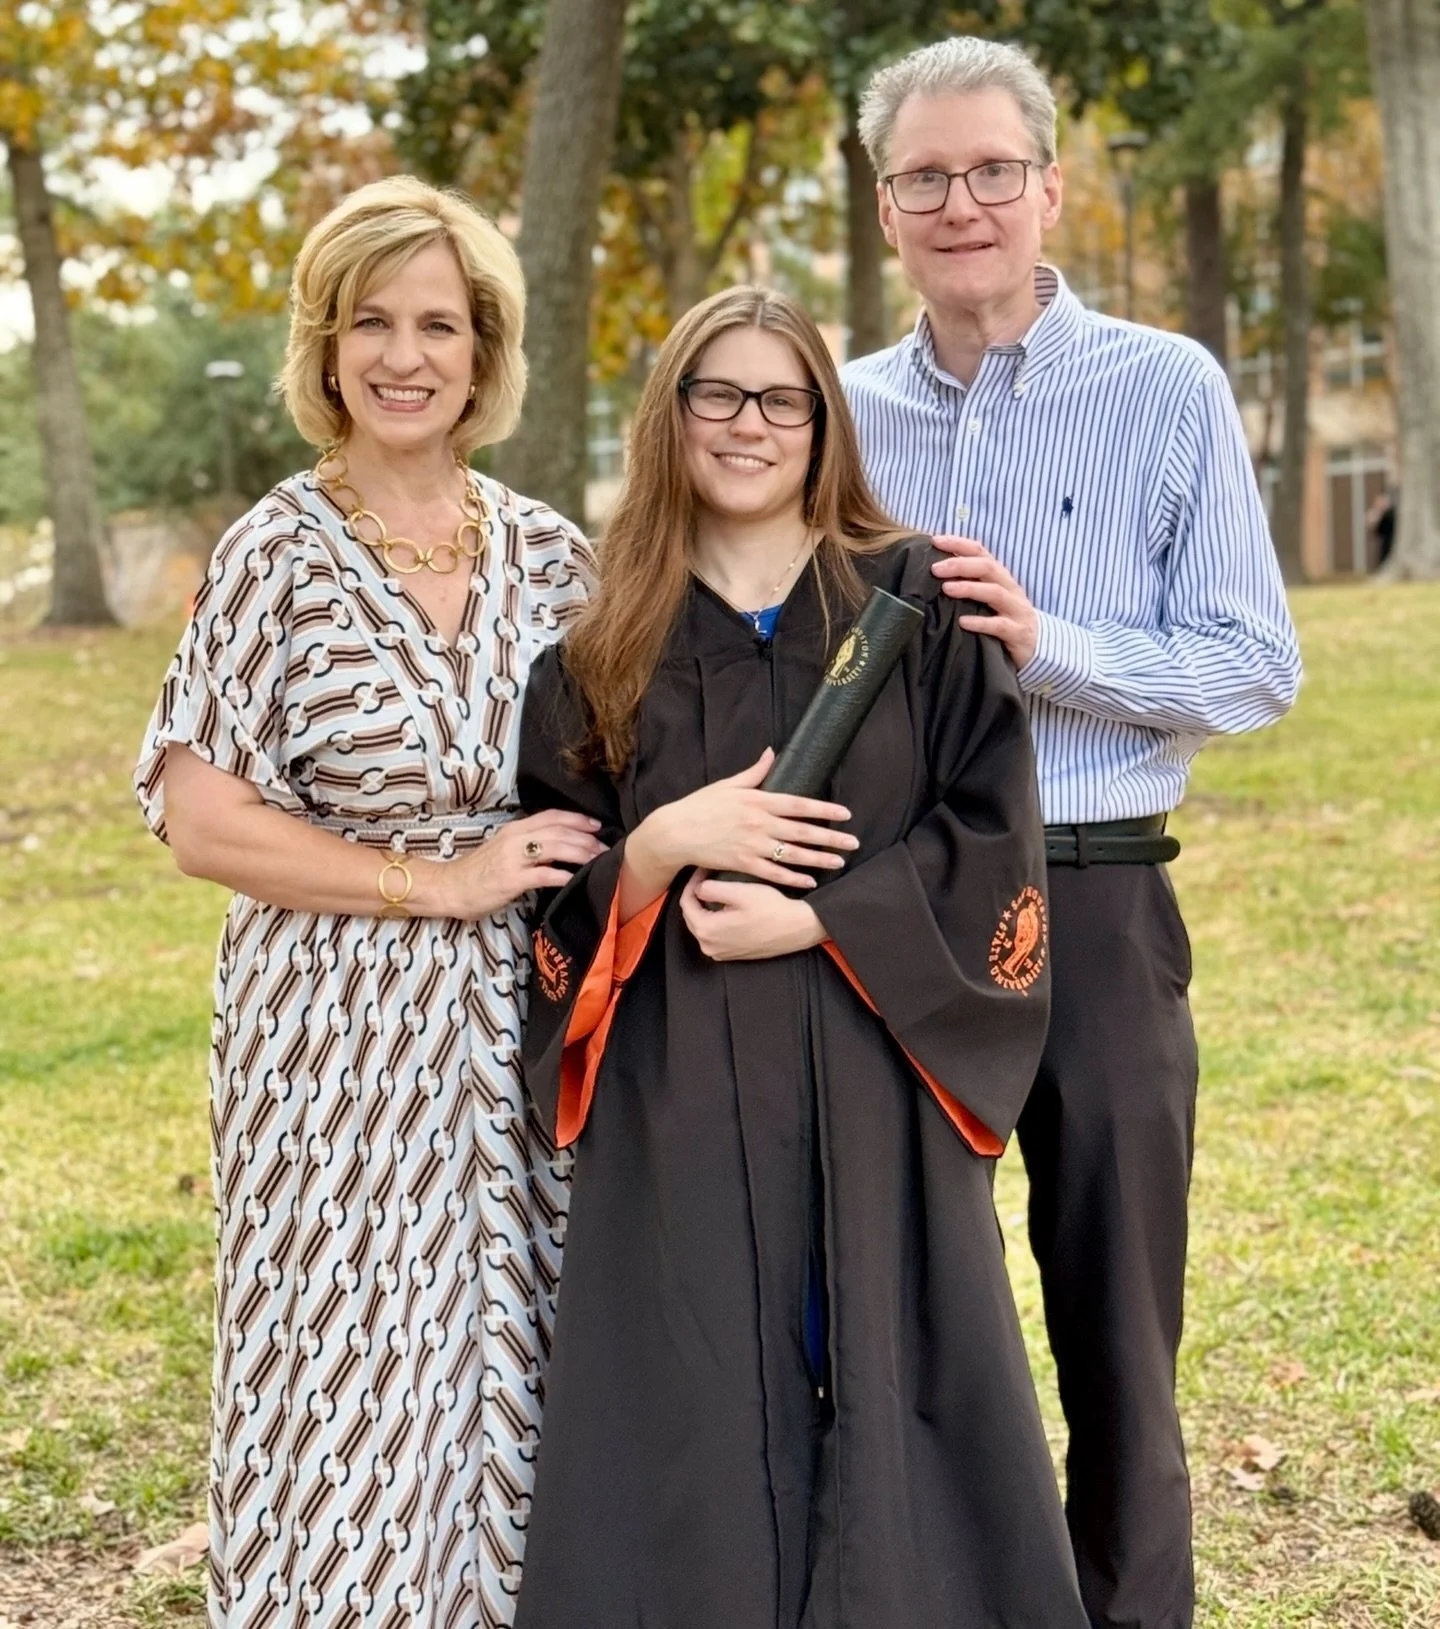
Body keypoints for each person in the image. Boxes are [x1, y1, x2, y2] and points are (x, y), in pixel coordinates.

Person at [512, 285, 1089, 1629]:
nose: (750, 425)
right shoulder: (598, 656)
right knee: (694, 1389)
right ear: (672, 417)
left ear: (825, 421)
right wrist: (654, 849)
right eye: (717, 393)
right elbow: (552, 897)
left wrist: (829, 916)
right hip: (683, 1092)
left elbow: (996, 829)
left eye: (785, 398)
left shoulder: (914, 612)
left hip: (878, 1064)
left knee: (900, 1375)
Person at [843, 37, 1303, 1629]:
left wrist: (1050, 644)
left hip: (1099, 910)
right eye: (923, 176)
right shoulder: (834, 419)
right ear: (884, 201)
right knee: (911, 1321)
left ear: (1048, 187)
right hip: (896, 922)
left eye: (989, 171)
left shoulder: (1166, 386)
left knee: (1119, 1330)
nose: (958, 202)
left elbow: (1254, 666)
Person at [133, 175, 604, 1628]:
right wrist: (439, 880)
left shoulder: (550, 551)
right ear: (326, 349)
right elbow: (199, 814)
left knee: (518, 1344)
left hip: (517, 1034)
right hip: (329, 1031)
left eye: (441, 325)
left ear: (485, 350)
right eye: (373, 323)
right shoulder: (277, 552)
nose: (408, 356)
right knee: (344, 1371)